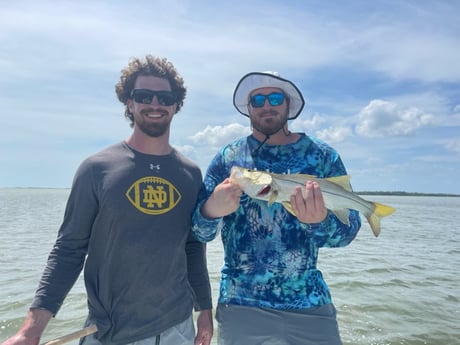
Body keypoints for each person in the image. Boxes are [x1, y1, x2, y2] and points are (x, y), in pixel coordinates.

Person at [2, 55, 213, 345]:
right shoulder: (97, 169)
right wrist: (31, 330)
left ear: (176, 104)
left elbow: (193, 246)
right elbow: (68, 250)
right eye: (143, 96)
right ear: (129, 102)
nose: (155, 104)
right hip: (108, 332)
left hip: (177, 328)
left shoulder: (190, 173)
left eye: (165, 97)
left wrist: (204, 308)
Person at [192, 71, 361, 345]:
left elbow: (348, 233)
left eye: (274, 98)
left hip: (309, 302)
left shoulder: (322, 156)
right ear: (249, 109)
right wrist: (210, 210)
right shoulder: (228, 158)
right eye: (257, 99)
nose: (266, 105)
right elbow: (199, 234)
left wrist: (320, 222)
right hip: (240, 304)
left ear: (288, 104)